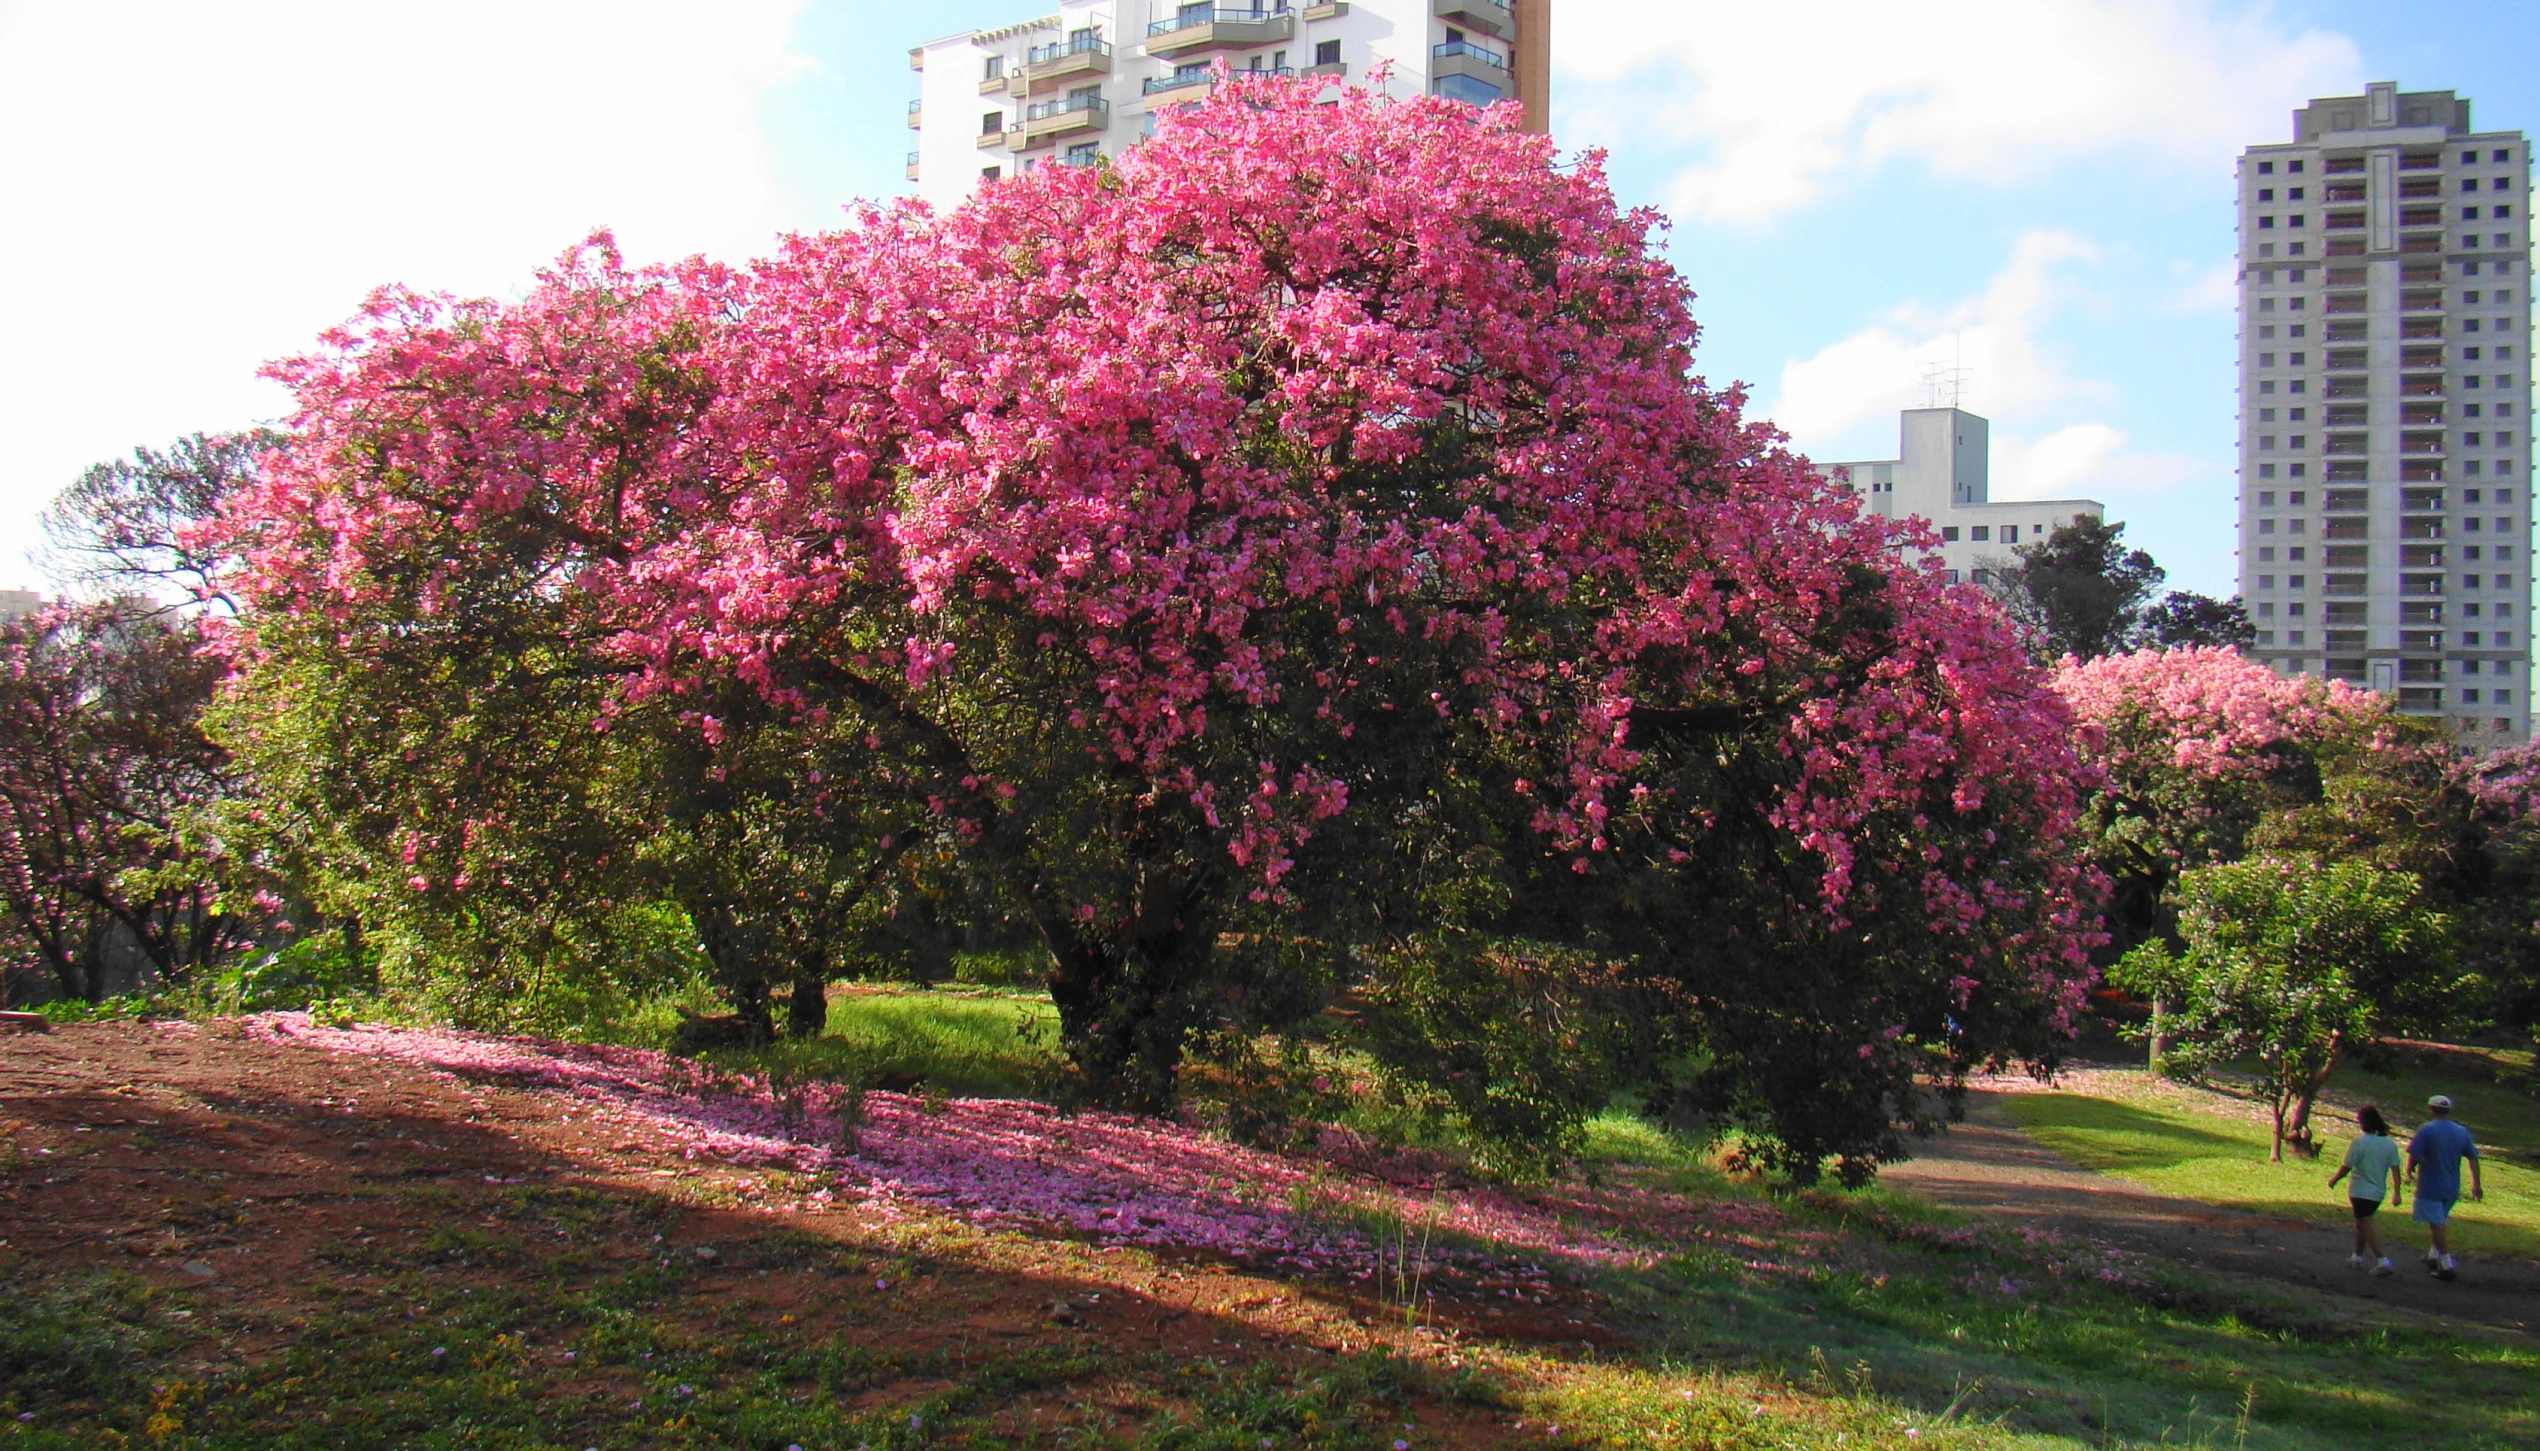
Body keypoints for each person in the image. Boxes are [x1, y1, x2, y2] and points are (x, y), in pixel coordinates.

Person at [2405, 1094, 2485, 1281]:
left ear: (2430, 1109)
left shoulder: (2427, 1130)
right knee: (2440, 1221)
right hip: (2451, 1186)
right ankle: (2433, 1255)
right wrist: (2476, 1184)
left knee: (2436, 1225)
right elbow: (2473, 1157)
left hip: (2431, 1184)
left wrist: (2409, 1170)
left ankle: (2447, 1264)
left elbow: (2414, 1155)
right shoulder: (2461, 1131)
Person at [2327, 1104, 2404, 1275]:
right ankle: (2357, 1256)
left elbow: (2347, 1165)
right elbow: (2395, 1170)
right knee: (2362, 1223)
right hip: (2378, 1192)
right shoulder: (2390, 1144)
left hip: (2360, 1190)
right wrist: (2397, 1193)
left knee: (2365, 1224)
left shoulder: (2359, 1142)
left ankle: (2382, 1260)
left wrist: (2335, 1179)